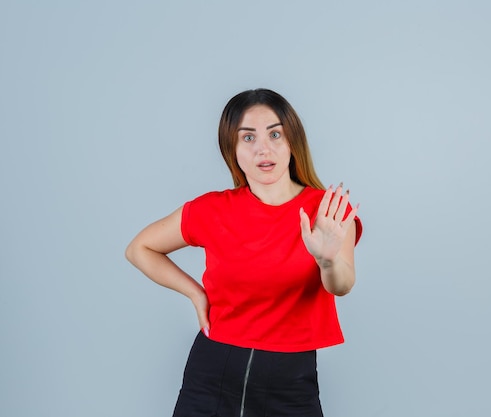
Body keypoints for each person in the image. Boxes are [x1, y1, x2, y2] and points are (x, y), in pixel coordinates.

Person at [125, 88, 363, 417]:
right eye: (247, 138)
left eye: (275, 134)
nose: (263, 149)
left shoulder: (328, 210)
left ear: (292, 141)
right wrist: (196, 294)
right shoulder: (211, 209)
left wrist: (327, 260)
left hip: (290, 382)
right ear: (232, 149)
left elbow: (343, 284)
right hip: (211, 373)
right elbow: (139, 249)